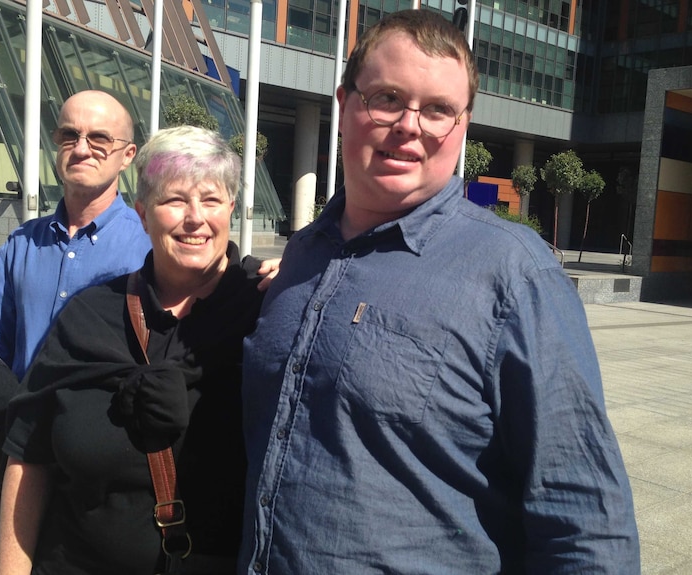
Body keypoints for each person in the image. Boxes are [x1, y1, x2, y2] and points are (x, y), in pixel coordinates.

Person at [240, 9, 639, 574]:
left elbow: (585, 521)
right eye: (387, 98)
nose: (410, 125)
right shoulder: (303, 254)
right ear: (344, 103)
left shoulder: (514, 274)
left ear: (462, 124)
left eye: (438, 110)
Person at [0, 126, 265, 575]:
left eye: (212, 200)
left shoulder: (265, 312)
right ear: (142, 214)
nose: (195, 217)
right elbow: (29, 455)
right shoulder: (89, 316)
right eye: (174, 200)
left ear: (231, 210)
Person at [0, 90, 152, 478]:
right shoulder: (20, 244)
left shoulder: (148, 248)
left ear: (127, 155)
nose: (82, 148)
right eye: (69, 136)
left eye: (100, 138)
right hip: (20, 449)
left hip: (105, 460)